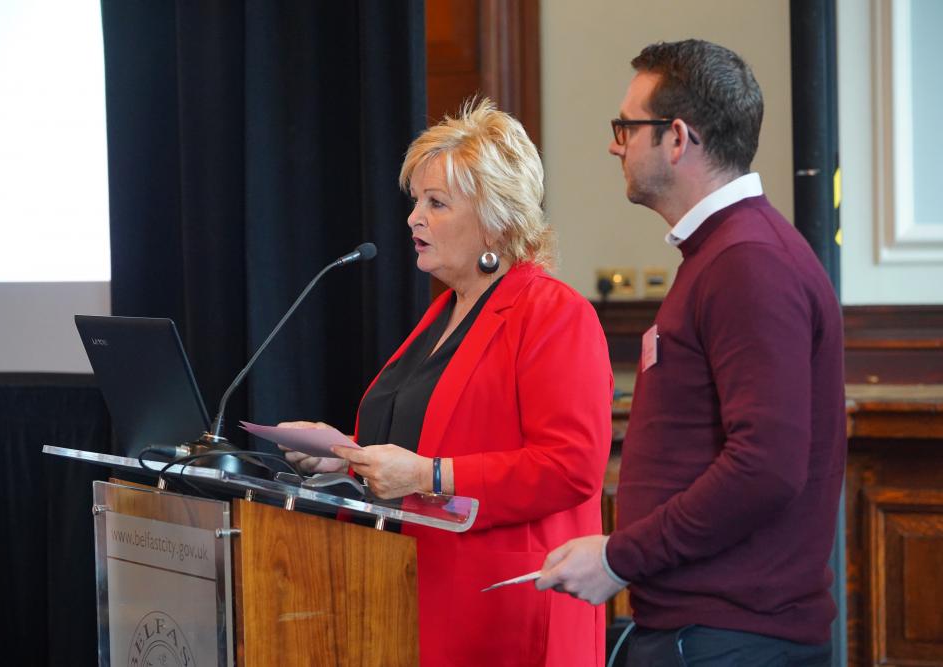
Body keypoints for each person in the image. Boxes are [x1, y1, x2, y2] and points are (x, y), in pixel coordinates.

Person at [536, 39, 846, 666]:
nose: (615, 146)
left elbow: (765, 467)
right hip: (708, 632)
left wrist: (619, 557)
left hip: (729, 640)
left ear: (676, 138)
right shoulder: (725, 253)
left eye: (626, 127)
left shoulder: (749, 261)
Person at [280, 98, 613, 666]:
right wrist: (343, 455)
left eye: (436, 203)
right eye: (416, 201)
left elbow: (570, 466)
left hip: (504, 616)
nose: (413, 218)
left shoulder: (554, 313)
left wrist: (428, 475)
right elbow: (427, 441)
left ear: (495, 219)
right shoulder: (443, 313)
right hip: (408, 599)